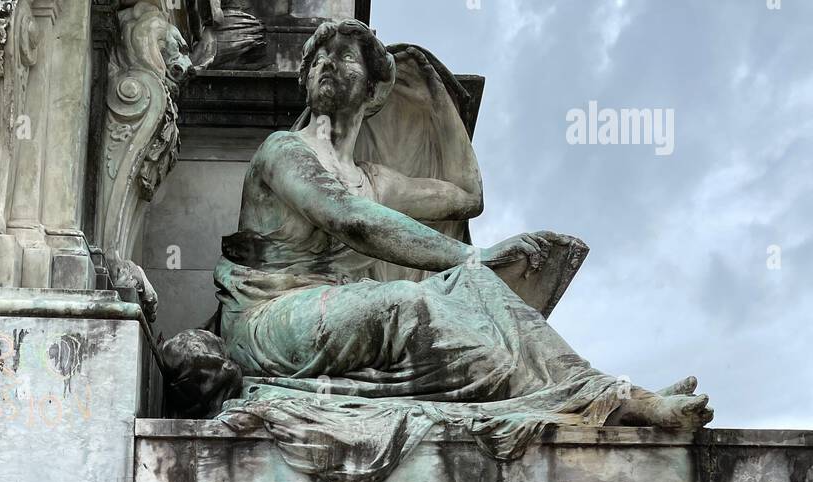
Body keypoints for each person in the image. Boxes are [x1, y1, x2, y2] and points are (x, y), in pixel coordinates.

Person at [213, 18, 712, 448]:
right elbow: (353, 220)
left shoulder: (373, 180)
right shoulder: (284, 150)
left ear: (375, 89)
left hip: (337, 311)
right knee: (409, 303)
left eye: (345, 57)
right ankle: (563, 399)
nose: (327, 63)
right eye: (318, 57)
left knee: (477, 286)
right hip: (269, 319)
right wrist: (475, 255)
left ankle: (612, 395)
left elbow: (466, 196)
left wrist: (440, 102)